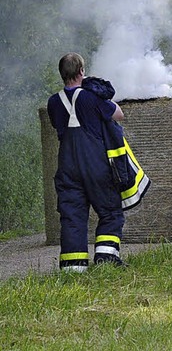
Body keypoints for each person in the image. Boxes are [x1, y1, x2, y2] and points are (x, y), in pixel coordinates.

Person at [47, 53, 126, 272]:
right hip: (95, 166)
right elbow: (118, 114)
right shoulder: (91, 97)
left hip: (67, 167)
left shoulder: (54, 101)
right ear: (82, 71)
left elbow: (57, 125)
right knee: (110, 211)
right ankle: (106, 259)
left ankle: (73, 268)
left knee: (72, 216)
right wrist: (101, 94)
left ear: (62, 74)